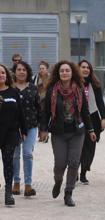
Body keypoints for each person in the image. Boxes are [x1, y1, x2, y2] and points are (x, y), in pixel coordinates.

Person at [39, 60, 96, 207]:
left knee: (74, 162)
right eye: (62, 71)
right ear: (58, 73)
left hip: (77, 131)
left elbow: (85, 111)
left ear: (72, 73)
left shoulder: (80, 88)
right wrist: (43, 129)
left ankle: (68, 192)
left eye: (67, 71)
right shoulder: (52, 89)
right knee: (60, 163)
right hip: (58, 132)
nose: (64, 73)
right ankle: (58, 181)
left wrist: (90, 130)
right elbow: (45, 111)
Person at [12, 61, 41, 197]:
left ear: (27, 72)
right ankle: (16, 182)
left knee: (28, 154)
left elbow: (39, 108)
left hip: (31, 127)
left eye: (24, 69)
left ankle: (28, 185)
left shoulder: (33, 88)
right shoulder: (10, 88)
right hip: (14, 129)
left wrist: (42, 128)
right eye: (19, 69)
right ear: (14, 72)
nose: (22, 72)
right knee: (15, 155)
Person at [0, 64, 27, 205]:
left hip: (10, 133)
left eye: (3, 72)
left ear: (6, 75)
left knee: (8, 162)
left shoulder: (13, 92)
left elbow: (21, 113)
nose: (1, 75)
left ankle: (8, 193)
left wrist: (24, 130)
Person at [78, 60, 105, 184]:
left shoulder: (95, 84)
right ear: (78, 69)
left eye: (88, 67)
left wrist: (104, 118)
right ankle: (73, 171)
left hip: (93, 117)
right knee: (77, 146)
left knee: (90, 147)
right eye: (83, 67)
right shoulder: (73, 84)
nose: (85, 69)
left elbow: (100, 102)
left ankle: (84, 171)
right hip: (78, 118)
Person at [34, 60, 50, 142]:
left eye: (43, 68)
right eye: (40, 68)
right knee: (39, 119)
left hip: (47, 101)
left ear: (47, 69)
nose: (41, 70)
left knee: (45, 119)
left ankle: (45, 135)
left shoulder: (50, 78)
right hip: (38, 101)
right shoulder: (35, 77)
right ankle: (41, 135)